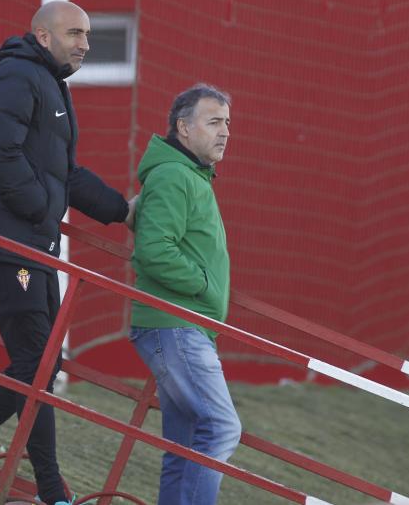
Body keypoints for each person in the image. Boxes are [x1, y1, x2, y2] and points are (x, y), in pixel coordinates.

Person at [0, 1, 136, 505]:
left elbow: (67, 172)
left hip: (32, 244)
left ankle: (49, 492)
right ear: (43, 36)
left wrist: (122, 211)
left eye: (88, 35)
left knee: (40, 365)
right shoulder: (19, 74)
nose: (85, 43)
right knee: (37, 361)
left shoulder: (50, 83)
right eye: (75, 33)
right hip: (9, 243)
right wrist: (41, 208)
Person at [128, 83, 242, 505]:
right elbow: (154, 251)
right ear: (183, 127)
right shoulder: (175, 175)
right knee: (221, 428)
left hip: (184, 326)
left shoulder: (188, 176)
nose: (225, 132)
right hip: (177, 325)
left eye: (227, 123)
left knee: (189, 441)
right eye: (213, 122)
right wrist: (204, 284)